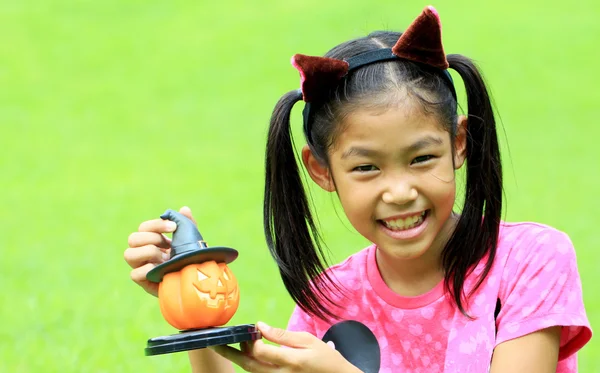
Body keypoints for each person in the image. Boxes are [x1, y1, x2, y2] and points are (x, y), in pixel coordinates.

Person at [124, 6, 592, 372]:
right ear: (322, 171)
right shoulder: (331, 296)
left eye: (422, 158)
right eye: (367, 168)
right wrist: (196, 317)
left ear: (458, 144)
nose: (400, 191)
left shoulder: (530, 261)